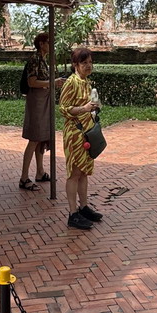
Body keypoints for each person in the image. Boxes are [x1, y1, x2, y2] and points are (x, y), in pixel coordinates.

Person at [60, 47, 103, 231]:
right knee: (75, 173)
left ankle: (83, 207)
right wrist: (84, 109)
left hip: (87, 132)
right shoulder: (72, 82)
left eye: (90, 62)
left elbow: (90, 106)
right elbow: (63, 108)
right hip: (75, 134)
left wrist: (94, 107)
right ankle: (72, 213)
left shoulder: (87, 83)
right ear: (75, 65)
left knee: (84, 172)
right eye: (84, 63)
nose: (88, 66)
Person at [20, 32, 63, 190]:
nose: (52, 45)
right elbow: (31, 82)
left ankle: (40, 171)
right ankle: (24, 177)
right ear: (41, 44)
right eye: (49, 42)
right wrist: (53, 82)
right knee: (34, 138)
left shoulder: (44, 60)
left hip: (44, 101)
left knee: (41, 138)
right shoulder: (35, 59)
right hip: (37, 102)